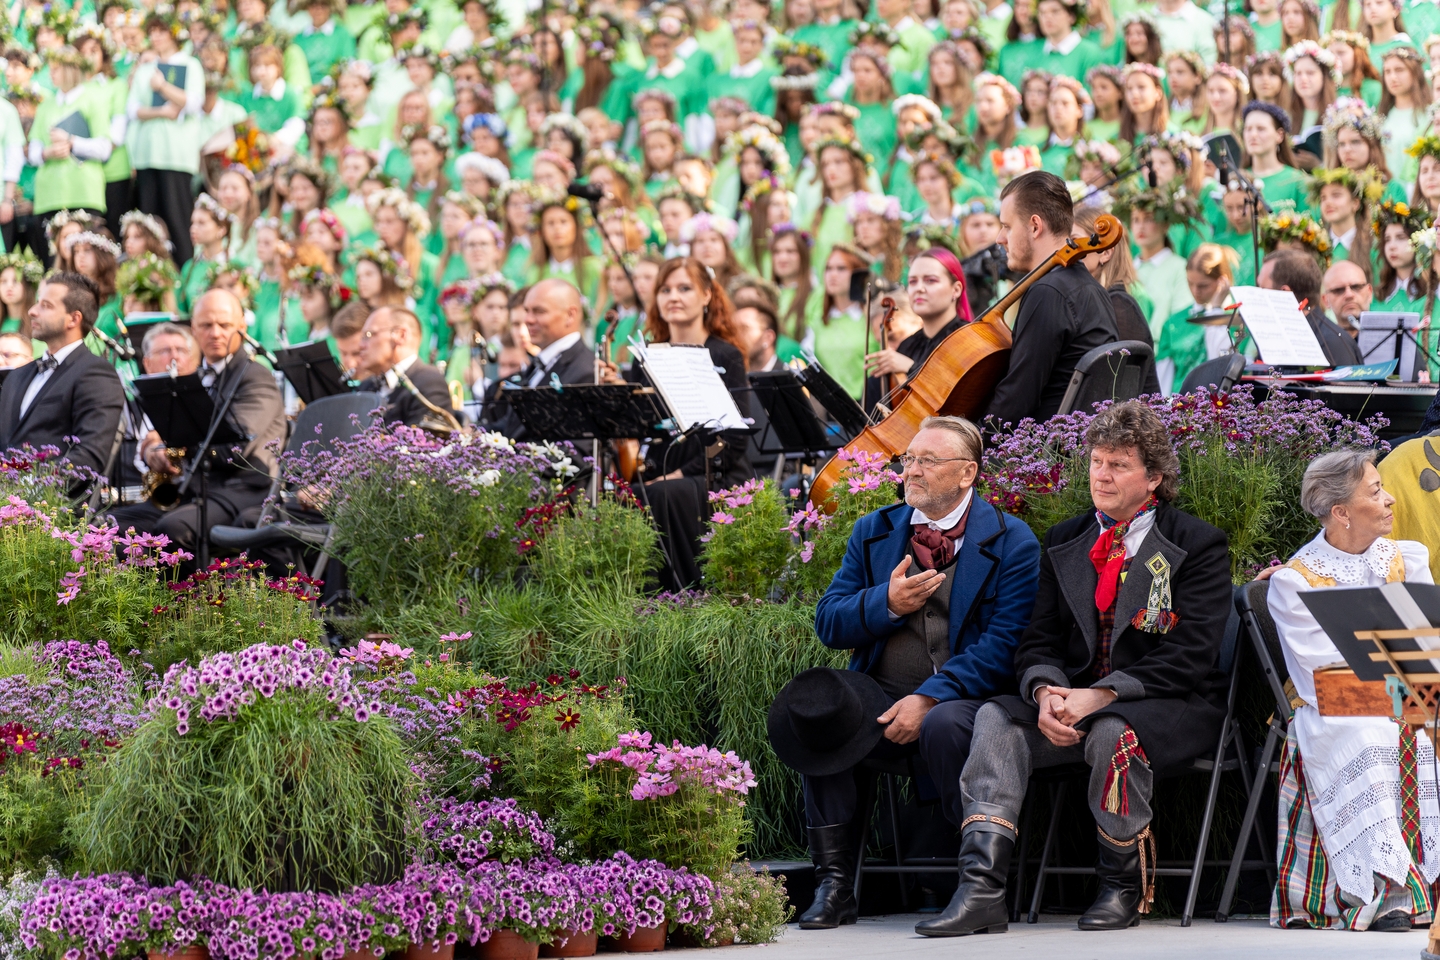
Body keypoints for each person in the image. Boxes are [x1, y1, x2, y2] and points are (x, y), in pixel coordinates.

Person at [925, 400, 1232, 937]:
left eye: (1119, 464)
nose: (1102, 475)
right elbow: (1037, 638)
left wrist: (1103, 695)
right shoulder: (1066, 539)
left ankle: (1120, 887)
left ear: (1153, 477)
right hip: (1074, 705)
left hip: (1169, 708)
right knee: (997, 718)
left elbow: (1193, 654)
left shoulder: (1195, 543)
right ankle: (981, 889)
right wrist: (1045, 691)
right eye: (1096, 461)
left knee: (1113, 733)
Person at [773, 415, 1040, 929]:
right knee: (822, 708)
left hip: (966, 700)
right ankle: (834, 885)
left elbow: (1004, 644)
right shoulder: (875, 530)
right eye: (908, 459)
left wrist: (931, 697)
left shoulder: (1013, 541)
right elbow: (829, 620)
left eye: (926, 461)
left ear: (967, 474)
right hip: (881, 696)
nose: (911, 471)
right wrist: (886, 603)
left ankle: (969, 882)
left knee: (946, 723)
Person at [1266, 449, 1438, 930]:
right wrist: (1403, 687)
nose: (1391, 499)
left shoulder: (1406, 559)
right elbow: (1328, 673)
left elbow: (1426, 645)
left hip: (1410, 694)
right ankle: (1389, 891)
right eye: (1376, 490)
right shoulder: (1294, 582)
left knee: (1423, 726)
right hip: (1335, 708)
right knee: (1372, 736)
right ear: (1340, 512)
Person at [602, 257, 753, 590]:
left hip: (717, 472)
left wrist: (680, 474)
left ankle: (684, 596)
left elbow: (734, 439)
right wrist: (618, 399)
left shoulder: (725, 354)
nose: (673, 296)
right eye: (665, 289)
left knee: (663, 494)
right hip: (661, 471)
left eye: (685, 288)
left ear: (706, 296)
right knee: (618, 496)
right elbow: (644, 431)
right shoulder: (647, 356)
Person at [107, 290, 285, 571]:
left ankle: (184, 611)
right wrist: (157, 450)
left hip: (243, 491)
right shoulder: (197, 377)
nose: (215, 333)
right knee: (113, 525)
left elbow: (235, 447)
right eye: (206, 325)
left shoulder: (256, 377)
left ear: (242, 328)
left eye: (224, 325)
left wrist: (176, 445)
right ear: (193, 330)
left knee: (171, 529)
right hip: (197, 489)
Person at [986, 170, 1120, 429]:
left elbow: (1016, 401)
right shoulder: (1089, 287)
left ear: (1035, 226)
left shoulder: (1048, 292)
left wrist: (970, 441)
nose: (999, 238)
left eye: (1006, 226)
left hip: (1048, 455)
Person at [0, 272, 124, 478]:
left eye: (46, 306)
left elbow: (89, 457)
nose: (32, 311)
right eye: (37, 303)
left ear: (74, 318)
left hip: (53, 505)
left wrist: (29, 487)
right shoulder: (17, 376)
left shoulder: (96, 373)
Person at [485, 278, 595, 439]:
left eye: (539, 311)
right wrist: (471, 434)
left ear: (570, 315)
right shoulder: (540, 363)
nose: (528, 320)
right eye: (527, 311)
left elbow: (576, 451)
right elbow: (513, 426)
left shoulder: (585, 372)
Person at [862, 247, 973, 391]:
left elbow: (961, 392)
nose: (919, 288)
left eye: (931, 280)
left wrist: (911, 368)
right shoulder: (908, 345)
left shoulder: (968, 340)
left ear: (956, 289)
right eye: (913, 282)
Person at [1258, 249, 1364, 365]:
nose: (1257, 297)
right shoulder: (1272, 339)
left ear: (1284, 293)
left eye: (1262, 289)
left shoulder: (1334, 344)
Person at [355, 306, 455, 429]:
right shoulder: (366, 386)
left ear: (401, 335)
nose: (360, 346)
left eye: (368, 335)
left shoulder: (429, 382)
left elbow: (422, 444)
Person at [1319, 259, 1373, 335]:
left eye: (1356, 287)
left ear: (1369, 292)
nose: (1349, 295)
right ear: (1325, 300)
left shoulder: (1393, 339)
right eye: (1338, 290)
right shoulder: (1319, 343)